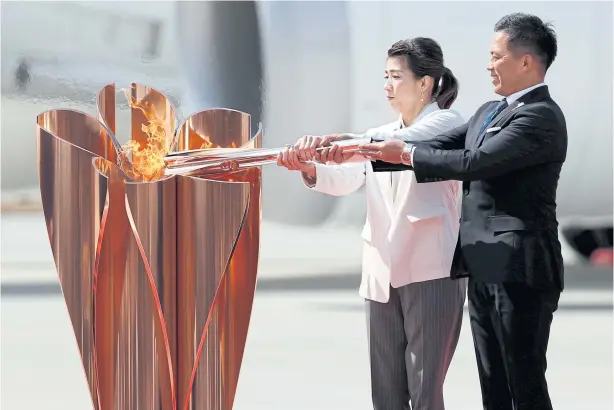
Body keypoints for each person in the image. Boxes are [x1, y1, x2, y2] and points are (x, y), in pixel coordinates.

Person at [321, 13, 566, 410]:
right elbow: (422, 141)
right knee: (494, 385)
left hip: (523, 267)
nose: (488, 64)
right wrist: (350, 145)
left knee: (524, 381)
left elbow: (475, 161)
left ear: (525, 61)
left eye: (496, 55)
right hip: (483, 265)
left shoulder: (541, 117)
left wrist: (404, 153)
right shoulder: (489, 112)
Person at [277, 37, 467, 410]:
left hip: (431, 271)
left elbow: (399, 144)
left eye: (397, 77)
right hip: (381, 272)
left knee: (425, 391)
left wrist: (342, 143)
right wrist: (311, 166)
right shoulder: (377, 133)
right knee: (386, 393)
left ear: (425, 83)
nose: (387, 86)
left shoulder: (446, 123)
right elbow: (349, 177)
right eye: (386, 76)